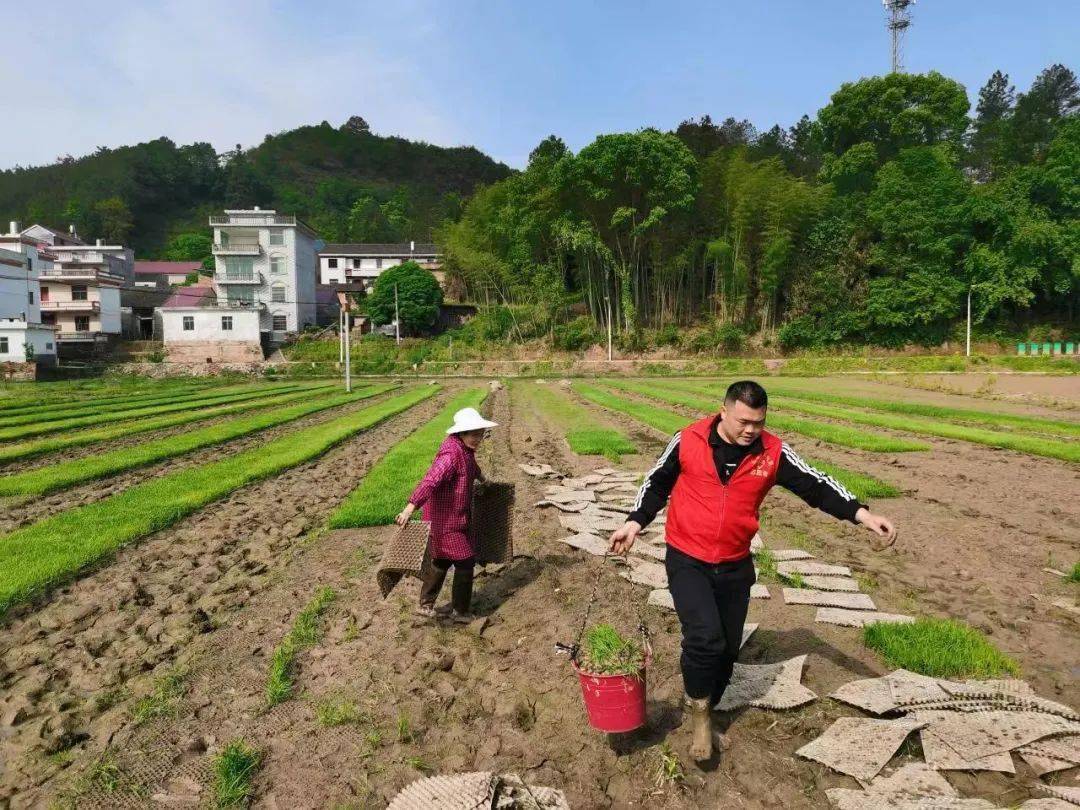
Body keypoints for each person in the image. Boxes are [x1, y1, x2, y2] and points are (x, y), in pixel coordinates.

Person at [608, 381, 896, 761]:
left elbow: (816, 484)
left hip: (734, 563)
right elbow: (656, 483)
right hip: (687, 558)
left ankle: (709, 705)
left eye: (758, 423)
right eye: (744, 421)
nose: (751, 430)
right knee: (705, 639)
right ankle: (699, 717)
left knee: (727, 649)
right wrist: (634, 522)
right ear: (723, 411)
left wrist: (863, 515)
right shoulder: (688, 439)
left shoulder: (773, 451)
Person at [396, 407, 497, 623]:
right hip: (445, 522)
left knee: (441, 560)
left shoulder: (465, 451)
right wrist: (409, 508)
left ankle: (426, 605)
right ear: (461, 433)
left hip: (454, 519)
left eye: (481, 434)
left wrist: (484, 480)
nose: (478, 438)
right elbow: (431, 481)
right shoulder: (451, 455)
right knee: (466, 561)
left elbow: (472, 467)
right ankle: (460, 611)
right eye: (474, 434)